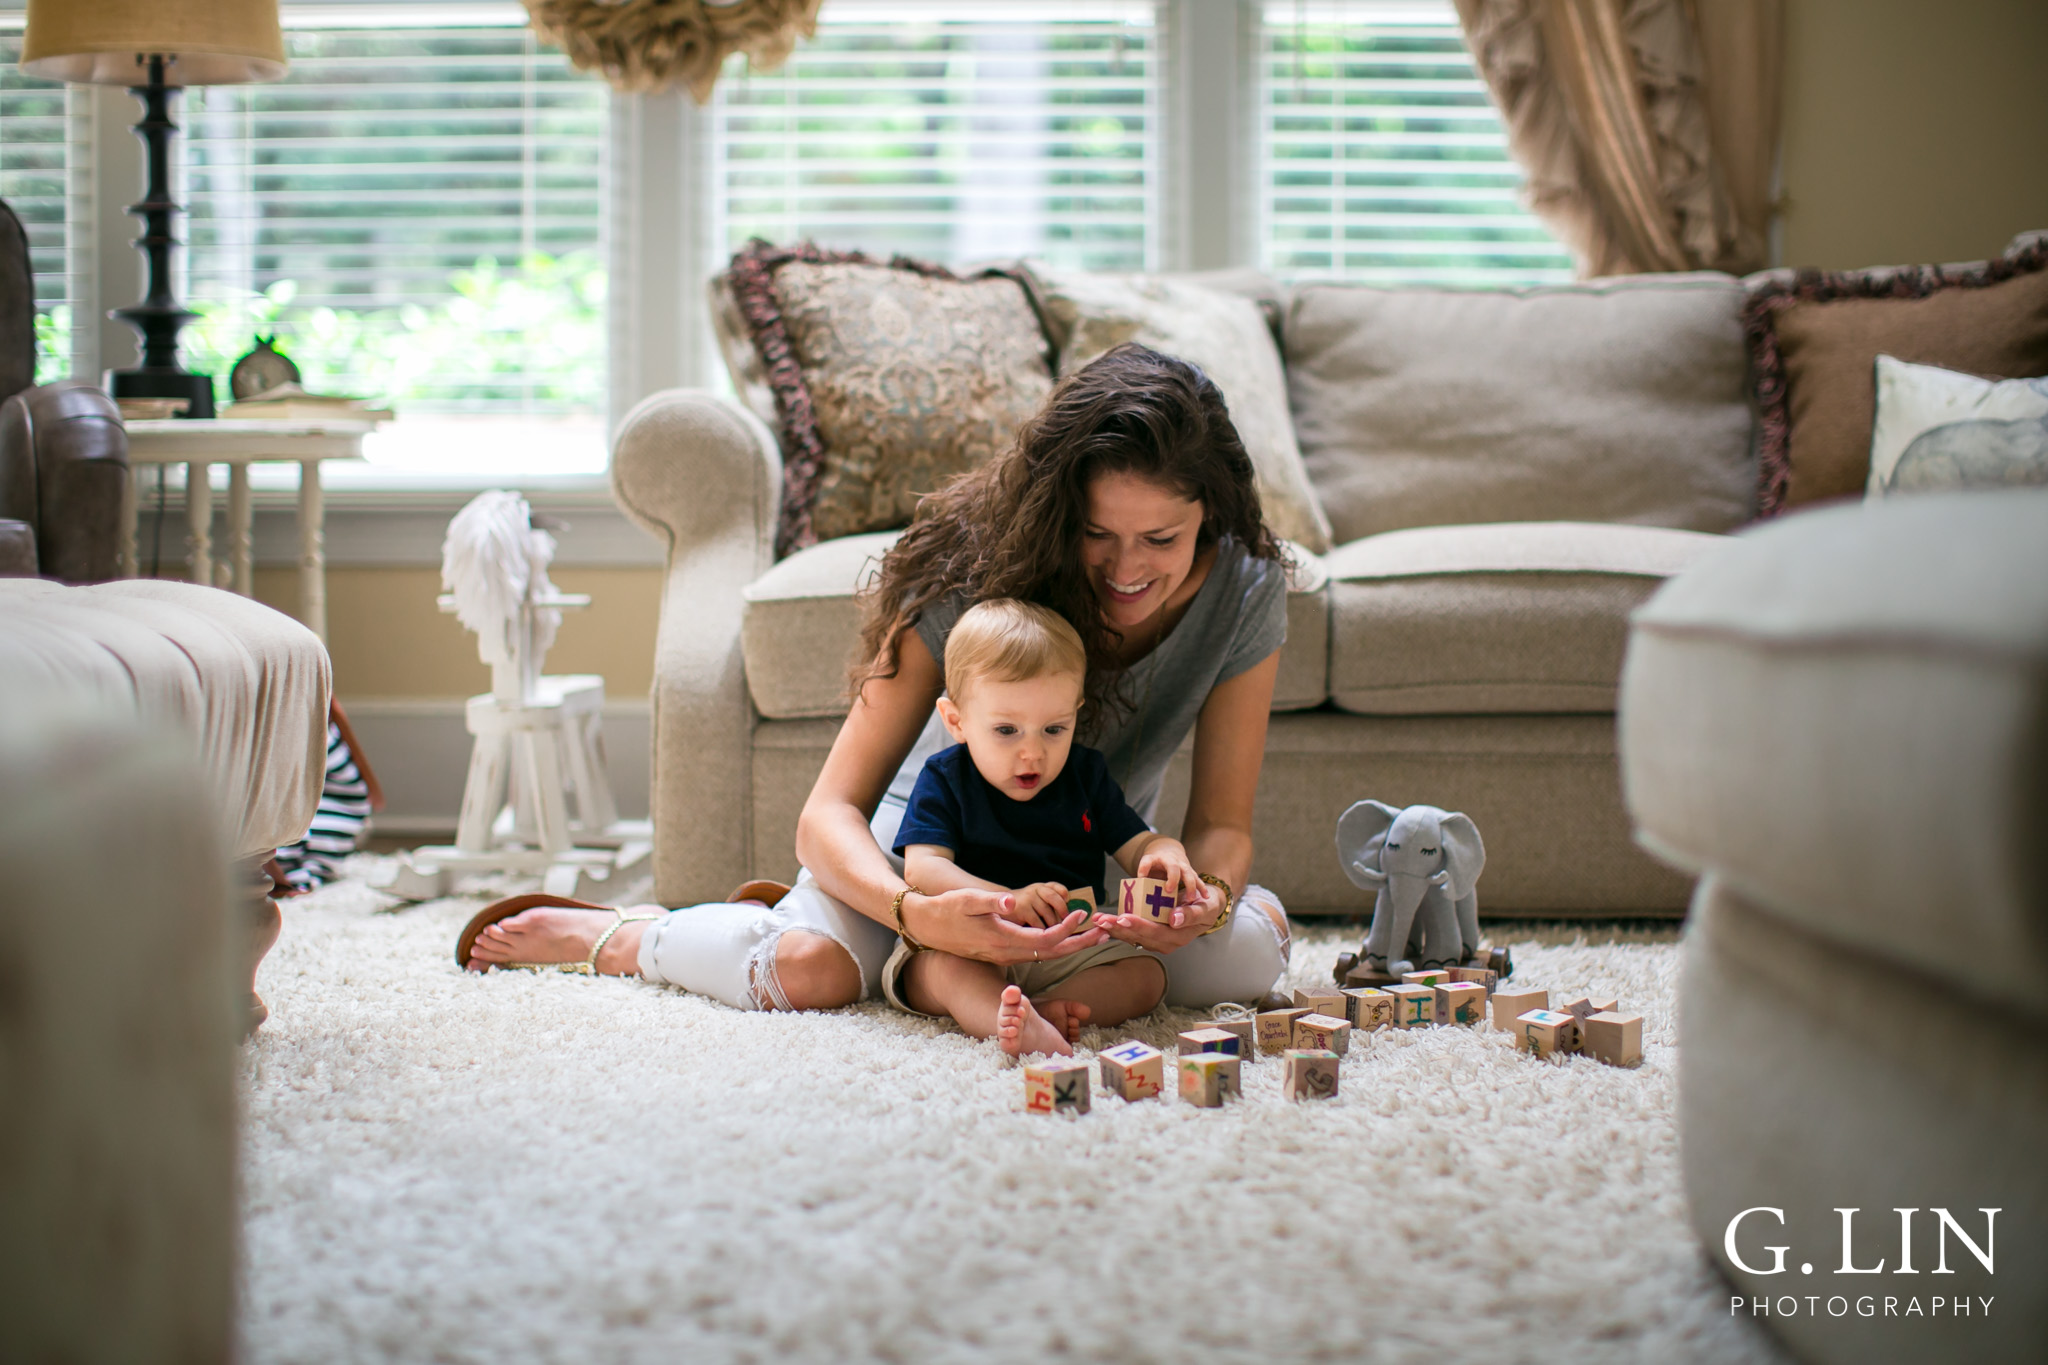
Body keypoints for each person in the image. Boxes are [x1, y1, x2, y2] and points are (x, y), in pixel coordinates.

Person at [465, 342, 1294, 1011]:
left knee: (1245, 956)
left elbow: (1221, 820)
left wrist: (1206, 899)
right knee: (808, 973)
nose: (1125, 569)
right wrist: (917, 913)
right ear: (1054, 509)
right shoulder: (976, 570)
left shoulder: (1245, 588)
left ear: (1209, 519)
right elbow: (828, 813)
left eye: (1161, 539)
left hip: (1069, 882)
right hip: (916, 864)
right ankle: (626, 935)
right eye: (1095, 533)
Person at [893, 598, 1197, 1056]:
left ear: (1076, 712)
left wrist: (1166, 855)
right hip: (969, 943)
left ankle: (1045, 1010)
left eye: (1054, 729)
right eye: (1007, 731)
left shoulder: (1085, 774)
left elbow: (1141, 843)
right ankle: (1000, 1019)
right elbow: (923, 870)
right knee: (936, 973)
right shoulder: (944, 778)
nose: (1032, 753)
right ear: (957, 721)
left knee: (1146, 977)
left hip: (1069, 945)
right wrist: (1007, 900)